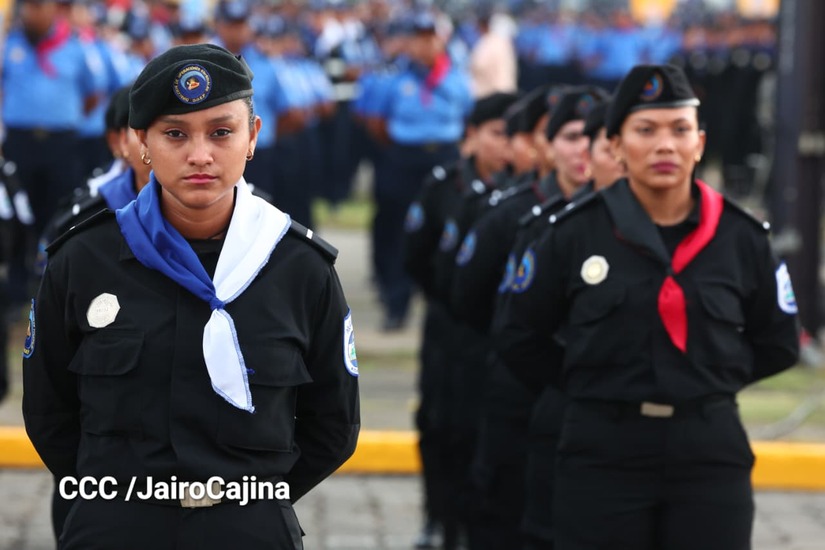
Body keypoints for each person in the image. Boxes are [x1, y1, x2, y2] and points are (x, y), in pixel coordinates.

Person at [23, 44, 360, 550]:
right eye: (175, 134)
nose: (200, 155)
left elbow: (334, 423)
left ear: (253, 137)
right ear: (141, 141)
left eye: (221, 132)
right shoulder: (82, 261)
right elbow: (49, 411)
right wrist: (120, 498)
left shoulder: (300, 268)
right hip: (114, 526)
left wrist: (252, 500)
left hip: (248, 529)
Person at [497, 64, 799, 550]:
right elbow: (518, 335)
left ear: (699, 144)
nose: (665, 146)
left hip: (708, 451)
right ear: (615, 146)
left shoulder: (741, 237)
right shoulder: (574, 234)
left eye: (679, 130)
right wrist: (589, 383)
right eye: (646, 130)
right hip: (603, 450)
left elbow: (779, 342)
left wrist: (708, 379)